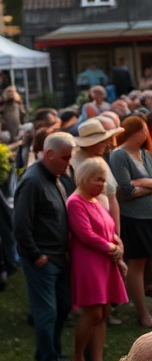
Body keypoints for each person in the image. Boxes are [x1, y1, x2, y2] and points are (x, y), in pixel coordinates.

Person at [14, 131, 76, 361]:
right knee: (47, 312)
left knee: (63, 307)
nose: (69, 163)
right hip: (43, 260)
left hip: (59, 257)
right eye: (65, 158)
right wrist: (37, 255)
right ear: (49, 154)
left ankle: (53, 353)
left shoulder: (55, 176)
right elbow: (20, 226)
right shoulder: (32, 181)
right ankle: (47, 357)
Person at [67, 157, 127, 361]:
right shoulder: (76, 202)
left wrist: (118, 248)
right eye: (98, 180)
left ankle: (97, 357)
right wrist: (113, 248)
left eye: (104, 180)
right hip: (88, 263)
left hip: (104, 261)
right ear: (85, 178)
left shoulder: (95, 201)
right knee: (93, 313)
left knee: (103, 313)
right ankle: (78, 356)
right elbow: (86, 234)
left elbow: (109, 228)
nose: (103, 185)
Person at [109, 116, 152, 327]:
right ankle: (143, 314)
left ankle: (140, 301)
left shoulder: (143, 153)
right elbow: (125, 190)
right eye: (143, 130)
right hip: (135, 218)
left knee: (147, 262)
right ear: (135, 132)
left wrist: (142, 183)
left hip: (149, 216)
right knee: (138, 263)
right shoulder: (119, 155)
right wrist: (148, 185)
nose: (146, 135)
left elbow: (135, 186)